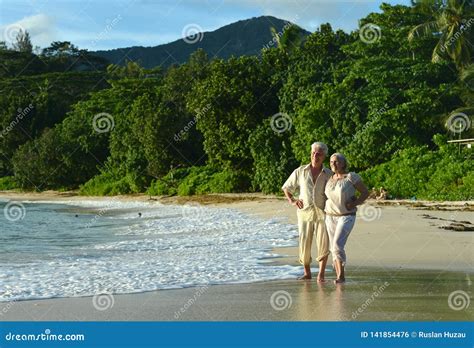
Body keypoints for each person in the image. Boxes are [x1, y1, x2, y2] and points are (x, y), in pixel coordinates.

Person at [282, 142, 333, 282]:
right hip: (304, 212)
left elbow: (335, 192)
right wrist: (292, 201)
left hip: (323, 213)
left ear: (324, 156)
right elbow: (287, 187)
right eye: (313, 153)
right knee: (304, 241)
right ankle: (307, 272)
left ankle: (321, 275)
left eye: (319, 154)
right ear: (310, 153)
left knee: (323, 242)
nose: (315, 156)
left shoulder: (329, 173)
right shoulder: (300, 171)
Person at [324, 153, 369, 283]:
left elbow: (365, 192)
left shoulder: (351, 177)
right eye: (331, 162)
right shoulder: (329, 178)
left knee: (337, 244)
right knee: (333, 247)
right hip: (330, 216)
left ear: (343, 163)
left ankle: (341, 276)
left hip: (346, 216)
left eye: (337, 162)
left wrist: (354, 203)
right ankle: (339, 275)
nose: (333, 164)